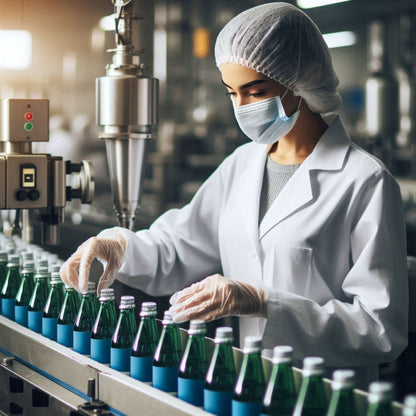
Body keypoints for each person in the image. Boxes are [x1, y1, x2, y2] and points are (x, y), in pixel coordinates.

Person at [60, 2, 408, 389]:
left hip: (324, 396)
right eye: (232, 93)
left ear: (303, 80)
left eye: (256, 92)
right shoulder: (242, 165)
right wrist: (118, 247)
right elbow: (178, 247)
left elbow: (379, 330)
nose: (243, 107)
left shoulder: (364, 181)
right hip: (247, 388)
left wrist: (263, 302)